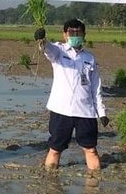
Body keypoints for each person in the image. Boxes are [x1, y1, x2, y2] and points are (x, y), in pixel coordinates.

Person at [34, 19, 109, 172]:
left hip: (85, 112)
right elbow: (46, 49)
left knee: (91, 150)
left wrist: (101, 112)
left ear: (84, 34)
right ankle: (50, 183)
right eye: (71, 32)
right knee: (55, 149)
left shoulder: (90, 58)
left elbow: (96, 87)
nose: (75, 35)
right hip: (62, 110)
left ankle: (94, 188)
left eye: (78, 32)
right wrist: (41, 39)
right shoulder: (59, 51)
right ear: (65, 35)